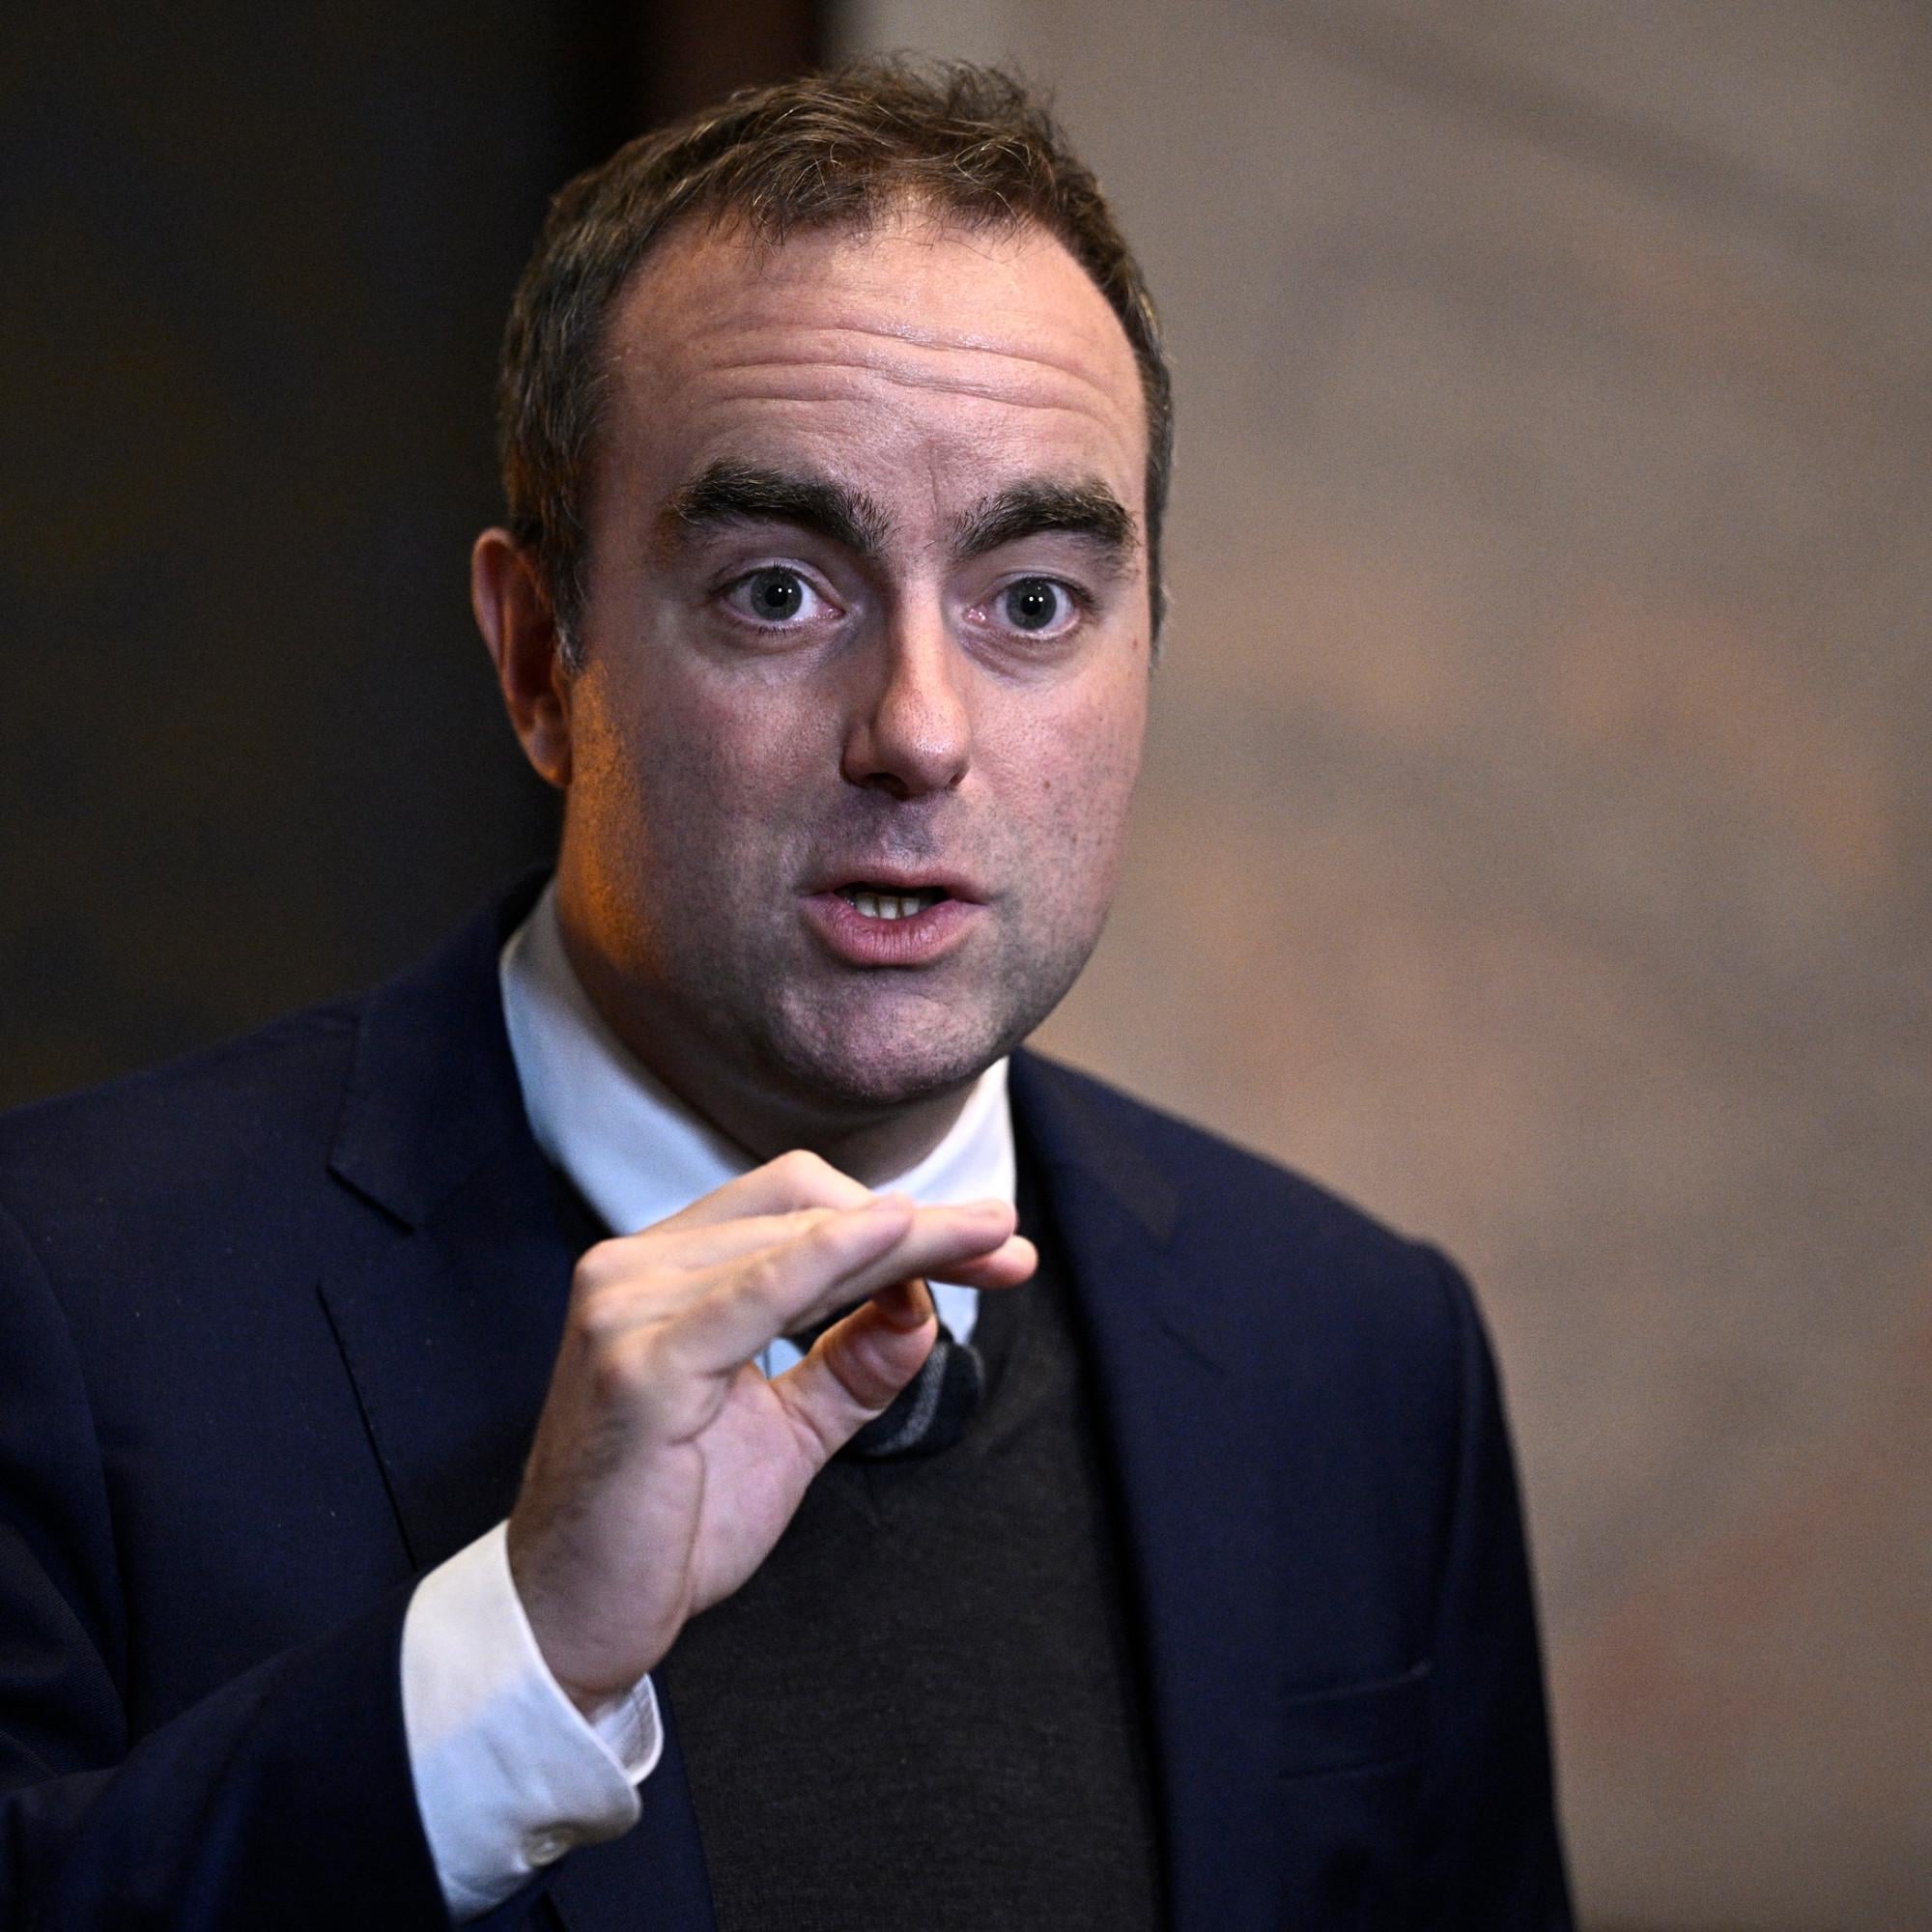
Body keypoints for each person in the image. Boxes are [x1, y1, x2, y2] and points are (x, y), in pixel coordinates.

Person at [0, 61, 1573, 1931]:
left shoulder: (1360, 1353)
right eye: (775, 592)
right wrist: (515, 1666)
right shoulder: (64, 1304)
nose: (919, 730)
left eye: (1035, 601)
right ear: (539, 659)